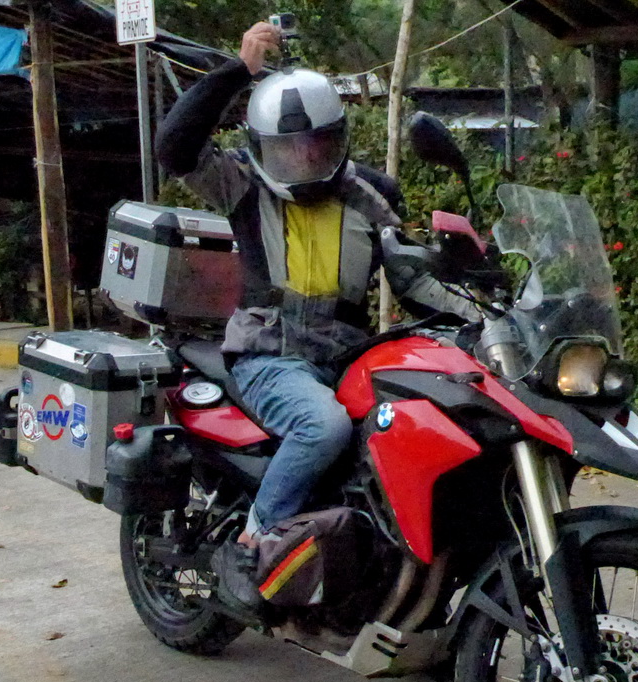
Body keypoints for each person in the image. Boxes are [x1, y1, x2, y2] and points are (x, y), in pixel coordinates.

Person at [157, 21, 474, 617]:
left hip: (345, 361)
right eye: (287, 148)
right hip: (269, 359)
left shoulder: (371, 197)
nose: (303, 158)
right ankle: (259, 539)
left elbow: (412, 281)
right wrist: (236, 71)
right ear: (262, 147)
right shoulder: (243, 187)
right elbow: (174, 147)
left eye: (317, 145)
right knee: (323, 428)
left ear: (338, 139)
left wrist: (481, 311)